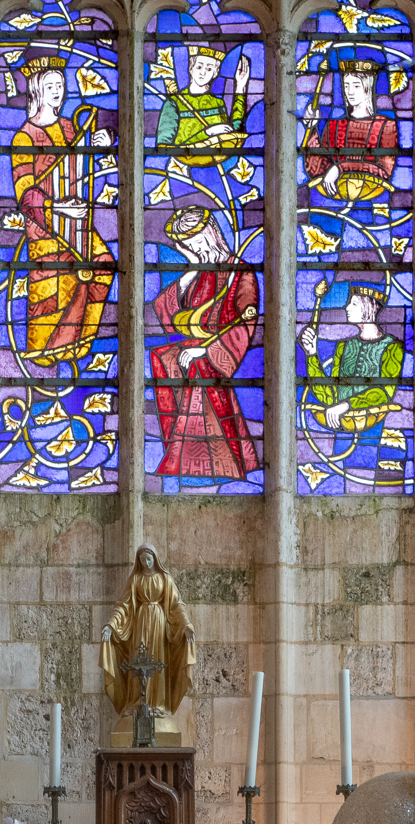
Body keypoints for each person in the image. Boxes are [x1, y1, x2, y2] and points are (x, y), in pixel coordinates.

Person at [9, 55, 114, 363]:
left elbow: (82, 165)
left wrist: (103, 138)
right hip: (45, 226)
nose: (57, 91)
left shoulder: (71, 128)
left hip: (78, 220)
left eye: (61, 85)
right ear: (37, 91)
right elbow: (25, 193)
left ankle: (79, 340)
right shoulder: (24, 137)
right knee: (53, 287)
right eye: (50, 85)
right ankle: (46, 347)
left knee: (102, 265)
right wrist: (57, 208)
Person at [149, 207, 260, 481]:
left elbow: (246, 322)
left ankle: (207, 464)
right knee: (164, 356)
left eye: (196, 242)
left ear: (210, 235)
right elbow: (166, 312)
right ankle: (187, 460)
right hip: (192, 350)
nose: (194, 248)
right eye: (187, 246)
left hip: (212, 356)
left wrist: (208, 350)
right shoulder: (200, 272)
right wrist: (192, 268)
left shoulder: (240, 273)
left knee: (198, 374)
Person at [99, 545, 198, 726]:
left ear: (155, 558)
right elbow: (123, 606)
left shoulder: (165, 579)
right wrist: (111, 625)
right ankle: (137, 702)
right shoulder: (135, 579)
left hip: (159, 624)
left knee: (157, 662)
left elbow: (176, 606)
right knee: (139, 661)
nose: (146, 562)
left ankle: (158, 704)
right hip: (140, 624)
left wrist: (186, 625)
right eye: (142, 559)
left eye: (149, 559)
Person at [298, 279, 403, 436]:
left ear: (369, 307)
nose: (346, 308)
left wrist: (346, 405)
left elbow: (384, 393)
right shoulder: (343, 346)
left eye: (353, 304)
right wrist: (311, 353)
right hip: (340, 423)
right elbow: (330, 396)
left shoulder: (393, 348)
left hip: (377, 427)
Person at [302, 50, 398, 203]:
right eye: (346, 86)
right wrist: (312, 129)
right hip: (334, 200)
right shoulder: (334, 125)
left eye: (356, 86)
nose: (350, 92)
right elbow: (318, 170)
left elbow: (384, 171)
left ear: (367, 88)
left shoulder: (385, 126)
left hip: (374, 199)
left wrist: (340, 168)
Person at [157, 43, 250, 162]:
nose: (203, 72)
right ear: (191, 68)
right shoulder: (174, 103)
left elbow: (234, 131)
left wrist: (240, 88)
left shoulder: (217, 103)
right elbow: (164, 146)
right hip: (181, 164)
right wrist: (208, 132)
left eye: (209, 68)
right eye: (199, 67)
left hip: (218, 161)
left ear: (215, 73)